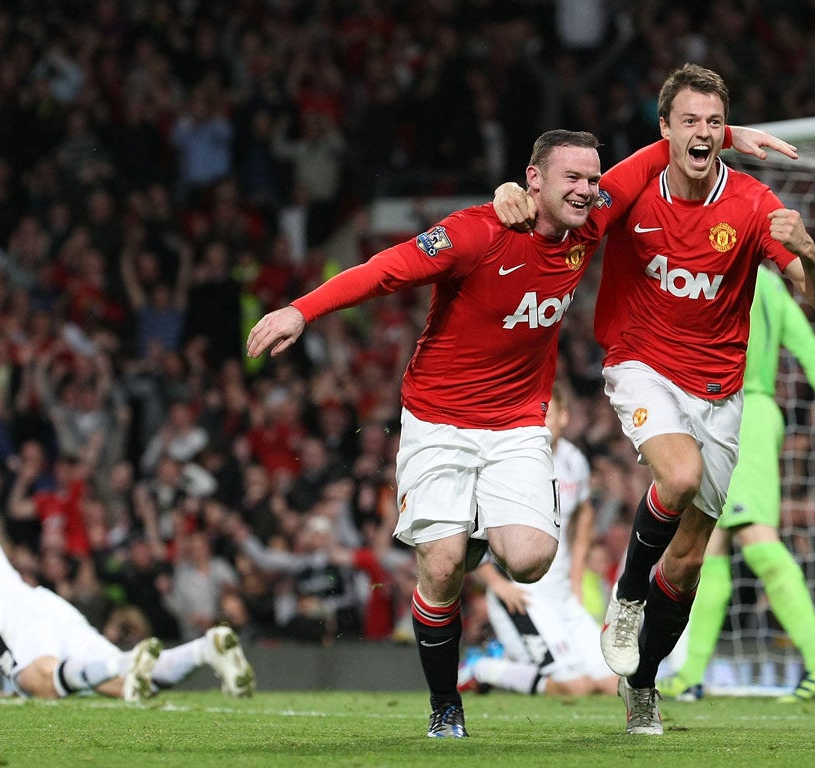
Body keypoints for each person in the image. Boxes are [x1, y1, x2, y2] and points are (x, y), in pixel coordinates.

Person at [248, 124, 787, 738]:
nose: (587, 190)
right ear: (534, 180)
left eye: (592, 178)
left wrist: (721, 131)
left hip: (518, 425)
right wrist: (301, 309)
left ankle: (470, 537)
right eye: (572, 179)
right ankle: (445, 706)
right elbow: (385, 270)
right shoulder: (474, 232)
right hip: (438, 419)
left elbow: (663, 152)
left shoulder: (591, 223)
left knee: (530, 561)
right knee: (444, 566)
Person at [493, 63, 815, 734]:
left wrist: (811, 252)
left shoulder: (752, 204)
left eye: (715, 122)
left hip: (722, 390)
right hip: (641, 363)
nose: (704, 133)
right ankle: (626, 598)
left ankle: (644, 685)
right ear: (665, 130)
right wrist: (513, 190)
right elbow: (562, 210)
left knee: (687, 560)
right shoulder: (630, 188)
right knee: (676, 476)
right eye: (690, 121)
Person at [657, 265, 815, 702]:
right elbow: (811, 351)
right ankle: (692, 674)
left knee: (755, 538)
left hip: (741, 413)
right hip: (734, 414)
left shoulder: (724, 276)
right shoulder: (772, 284)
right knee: (707, 544)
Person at [0, 472, 255, 700]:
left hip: (1, 613)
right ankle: (206, 649)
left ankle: (124, 660)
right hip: (40, 601)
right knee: (126, 686)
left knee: (38, 684)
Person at [460, 381, 618, 697]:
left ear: (563, 417)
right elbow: (471, 529)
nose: (539, 420)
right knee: (576, 688)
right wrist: (497, 584)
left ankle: (508, 662)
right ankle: (484, 668)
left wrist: (576, 579)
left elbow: (584, 514)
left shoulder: (574, 460)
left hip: (562, 595)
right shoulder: (510, 462)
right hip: (521, 597)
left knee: (612, 684)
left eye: (546, 412)